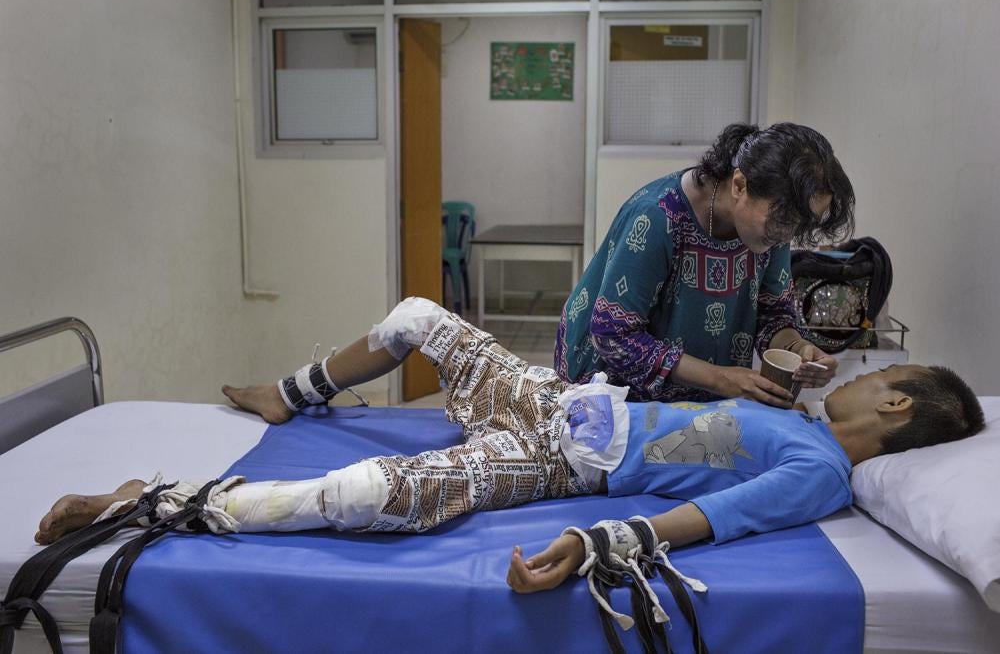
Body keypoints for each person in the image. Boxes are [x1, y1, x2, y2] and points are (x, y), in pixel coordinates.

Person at [34, 299, 983, 605]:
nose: (853, 372)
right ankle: (290, 395)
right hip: (557, 399)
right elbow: (704, 432)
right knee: (418, 316)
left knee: (371, 491)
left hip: (558, 463)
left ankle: (148, 500)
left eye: (869, 374)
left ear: (895, 401)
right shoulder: (801, 422)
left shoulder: (820, 470)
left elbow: (707, 517)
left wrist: (604, 544)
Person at [556, 122, 857, 408]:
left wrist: (797, 349)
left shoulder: (771, 231)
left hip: (701, 394)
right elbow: (613, 335)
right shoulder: (657, 216)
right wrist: (720, 378)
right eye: (785, 220)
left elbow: (773, 313)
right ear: (740, 185)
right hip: (613, 388)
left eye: (800, 224)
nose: (789, 234)